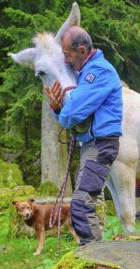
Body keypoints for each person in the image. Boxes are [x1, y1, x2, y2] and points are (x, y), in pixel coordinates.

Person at [44, 26, 122, 246]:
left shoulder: (98, 72)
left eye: (68, 55)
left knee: (80, 205)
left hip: (100, 146)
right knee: (83, 202)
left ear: (82, 50)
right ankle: (91, 255)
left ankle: (93, 257)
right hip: (92, 146)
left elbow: (72, 113)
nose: (66, 60)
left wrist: (61, 111)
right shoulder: (86, 72)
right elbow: (68, 113)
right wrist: (57, 108)